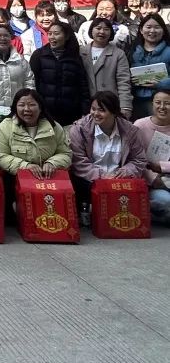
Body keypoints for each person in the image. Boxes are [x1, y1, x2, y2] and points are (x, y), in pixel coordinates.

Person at [0, 88, 72, 222]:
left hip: (47, 177)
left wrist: (52, 163)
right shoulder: (5, 127)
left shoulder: (53, 126)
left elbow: (65, 153)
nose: (27, 109)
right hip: (15, 177)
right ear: (15, 108)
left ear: (40, 108)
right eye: (21, 105)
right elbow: (0, 155)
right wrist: (25, 166)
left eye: (32, 105)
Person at [68, 91, 148, 213]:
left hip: (121, 181)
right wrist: (102, 176)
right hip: (89, 181)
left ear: (114, 112)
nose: (95, 114)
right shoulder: (79, 130)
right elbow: (79, 162)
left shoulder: (130, 131)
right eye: (93, 109)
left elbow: (139, 159)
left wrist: (126, 171)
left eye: (101, 110)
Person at [30, 22, 90, 127]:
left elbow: (82, 85)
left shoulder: (75, 57)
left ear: (66, 36)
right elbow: (33, 83)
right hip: (45, 113)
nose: (52, 37)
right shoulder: (39, 55)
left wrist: (85, 110)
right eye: (50, 33)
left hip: (71, 114)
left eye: (56, 33)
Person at [79, 17, 133, 119]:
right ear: (91, 30)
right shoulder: (80, 52)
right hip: (86, 104)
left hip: (109, 104)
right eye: (98, 28)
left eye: (106, 29)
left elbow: (123, 82)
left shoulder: (118, 54)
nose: (102, 32)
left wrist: (125, 106)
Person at [135, 90, 170, 225]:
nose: (162, 107)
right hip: (148, 181)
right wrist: (152, 178)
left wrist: (162, 166)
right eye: (158, 102)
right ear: (152, 104)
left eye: (167, 103)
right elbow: (133, 158)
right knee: (166, 201)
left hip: (167, 176)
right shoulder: (140, 126)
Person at [130, 13, 170, 120]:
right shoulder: (132, 51)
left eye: (157, 27)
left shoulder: (168, 51)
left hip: (162, 103)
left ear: (163, 30)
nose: (152, 31)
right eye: (148, 27)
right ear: (141, 30)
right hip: (135, 101)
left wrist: (160, 84)